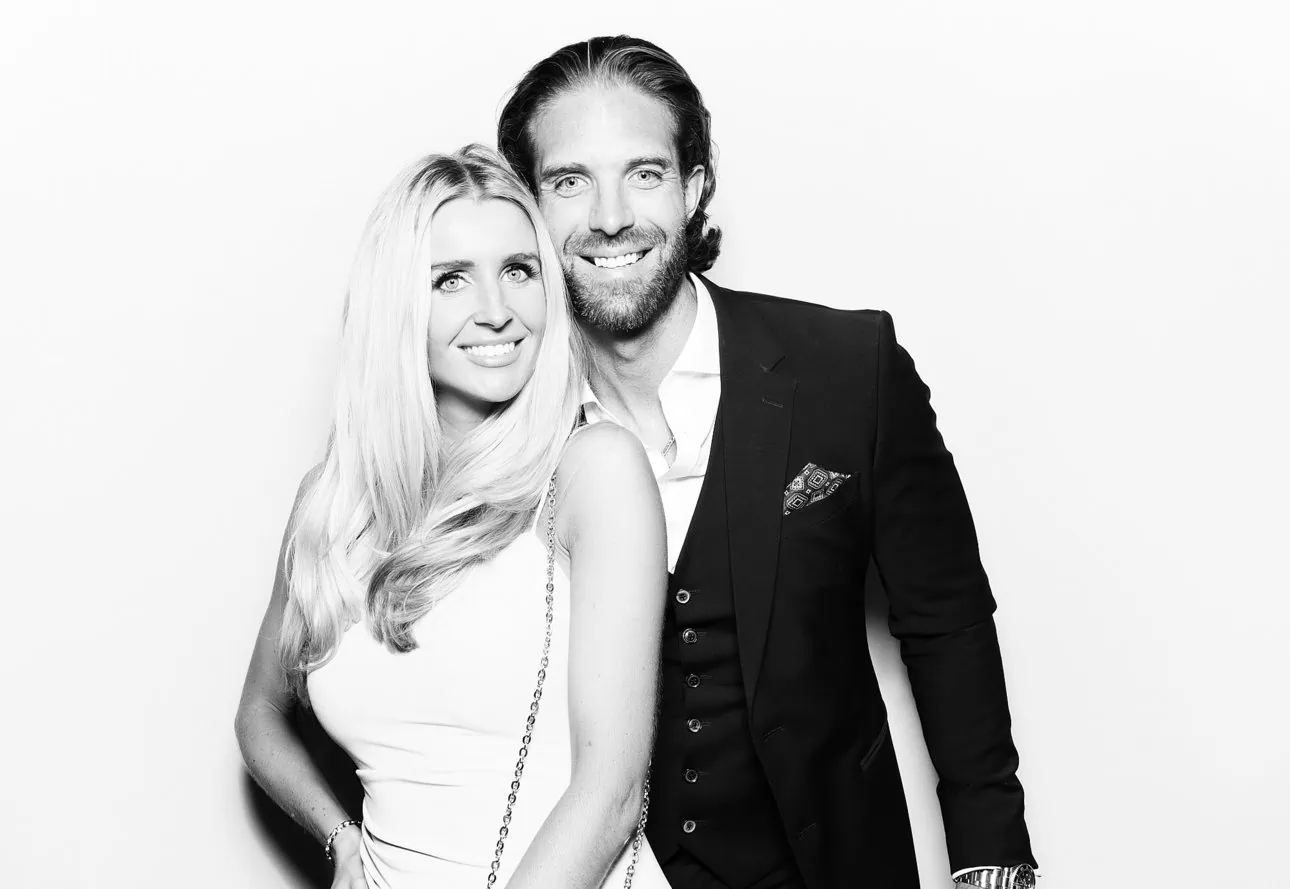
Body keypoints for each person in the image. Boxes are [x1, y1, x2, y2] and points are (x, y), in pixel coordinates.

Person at [496, 37, 1040, 889]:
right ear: (526, 206)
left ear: (694, 187)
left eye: (643, 173)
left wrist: (991, 858)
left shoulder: (848, 368)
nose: (608, 216)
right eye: (569, 182)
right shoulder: (498, 426)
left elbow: (947, 620)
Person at [235, 145, 673, 889]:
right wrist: (341, 839)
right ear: (397, 302)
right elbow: (258, 716)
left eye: (519, 270)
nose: (496, 309)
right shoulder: (334, 503)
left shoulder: (592, 470)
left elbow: (612, 795)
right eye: (451, 280)